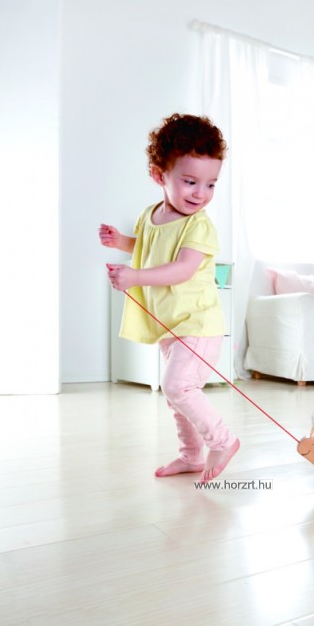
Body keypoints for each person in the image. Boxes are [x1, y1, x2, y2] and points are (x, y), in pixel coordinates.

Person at [99, 113, 239, 483]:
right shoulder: (151, 215)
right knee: (175, 394)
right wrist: (122, 242)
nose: (200, 193)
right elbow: (149, 247)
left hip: (198, 325)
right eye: (190, 181)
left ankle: (222, 440)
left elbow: (181, 269)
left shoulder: (199, 225)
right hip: (170, 324)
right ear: (159, 175)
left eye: (211, 184)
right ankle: (190, 456)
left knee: (178, 386)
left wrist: (134, 277)